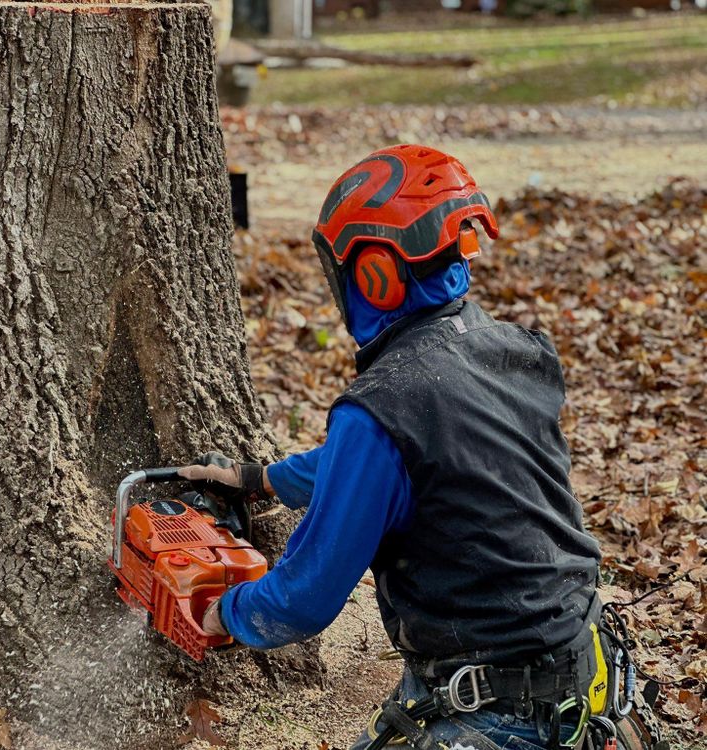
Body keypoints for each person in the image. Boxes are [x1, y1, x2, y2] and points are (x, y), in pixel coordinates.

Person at [176, 146, 653, 750]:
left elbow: (303, 599)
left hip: (498, 711)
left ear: (374, 271)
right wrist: (264, 478)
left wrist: (222, 612)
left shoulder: (380, 410)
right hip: (585, 671)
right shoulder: (514, 353)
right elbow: (410, 463)